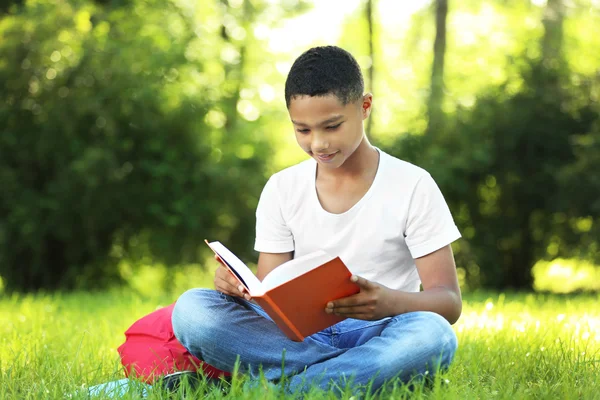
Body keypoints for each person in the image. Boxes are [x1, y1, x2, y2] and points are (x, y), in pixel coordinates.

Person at [172, 45, 462, 395]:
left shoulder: (413, 184)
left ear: (364, 106)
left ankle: (272, 388)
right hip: (295, 337)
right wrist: (241, 288)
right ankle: (350, 375)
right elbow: (271, 289)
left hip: (383, 329)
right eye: (303, 130)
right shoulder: (283, 188)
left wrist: (387, 301)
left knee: (433, 336)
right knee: (191, 310)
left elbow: (448, 302)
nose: (319, 144)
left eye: (332, 126)